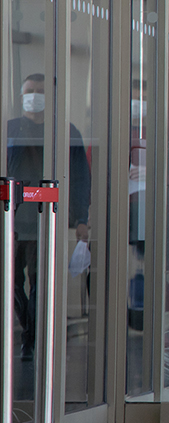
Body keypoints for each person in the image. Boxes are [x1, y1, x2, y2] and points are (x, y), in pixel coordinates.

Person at [6, 73, 91, 360]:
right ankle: (30, 332)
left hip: (45, 222)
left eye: (40, 91)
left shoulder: (65, 132)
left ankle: (30, 340)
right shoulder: (10, 130)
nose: (34, 95)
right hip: (12, 223)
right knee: (13, 283)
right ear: (21, 96)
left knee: (40, 283)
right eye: (30, 90)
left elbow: (80, 178)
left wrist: (81, 218)